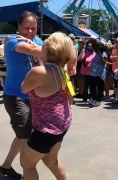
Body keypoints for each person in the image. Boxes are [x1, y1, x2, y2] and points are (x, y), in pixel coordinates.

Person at [20, 32, 74, 180]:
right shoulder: (62, 70)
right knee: (51, 160)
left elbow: (23, 88)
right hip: (62, 124)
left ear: (48, 48)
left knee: (27, 164)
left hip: (47, 129)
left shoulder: (38, 72)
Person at [0, 11, 43, 179]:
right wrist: (39, 49)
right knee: (27, 135)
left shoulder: (38, 41)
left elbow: (44, 58)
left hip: (35, 96)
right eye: (26, 28)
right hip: (15, 95)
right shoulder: (12, 40)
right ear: (18, 27)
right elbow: (32, 50)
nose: (30, 32)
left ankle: (5, 166)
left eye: (34, 28)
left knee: (23, 135)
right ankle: (28, 172)